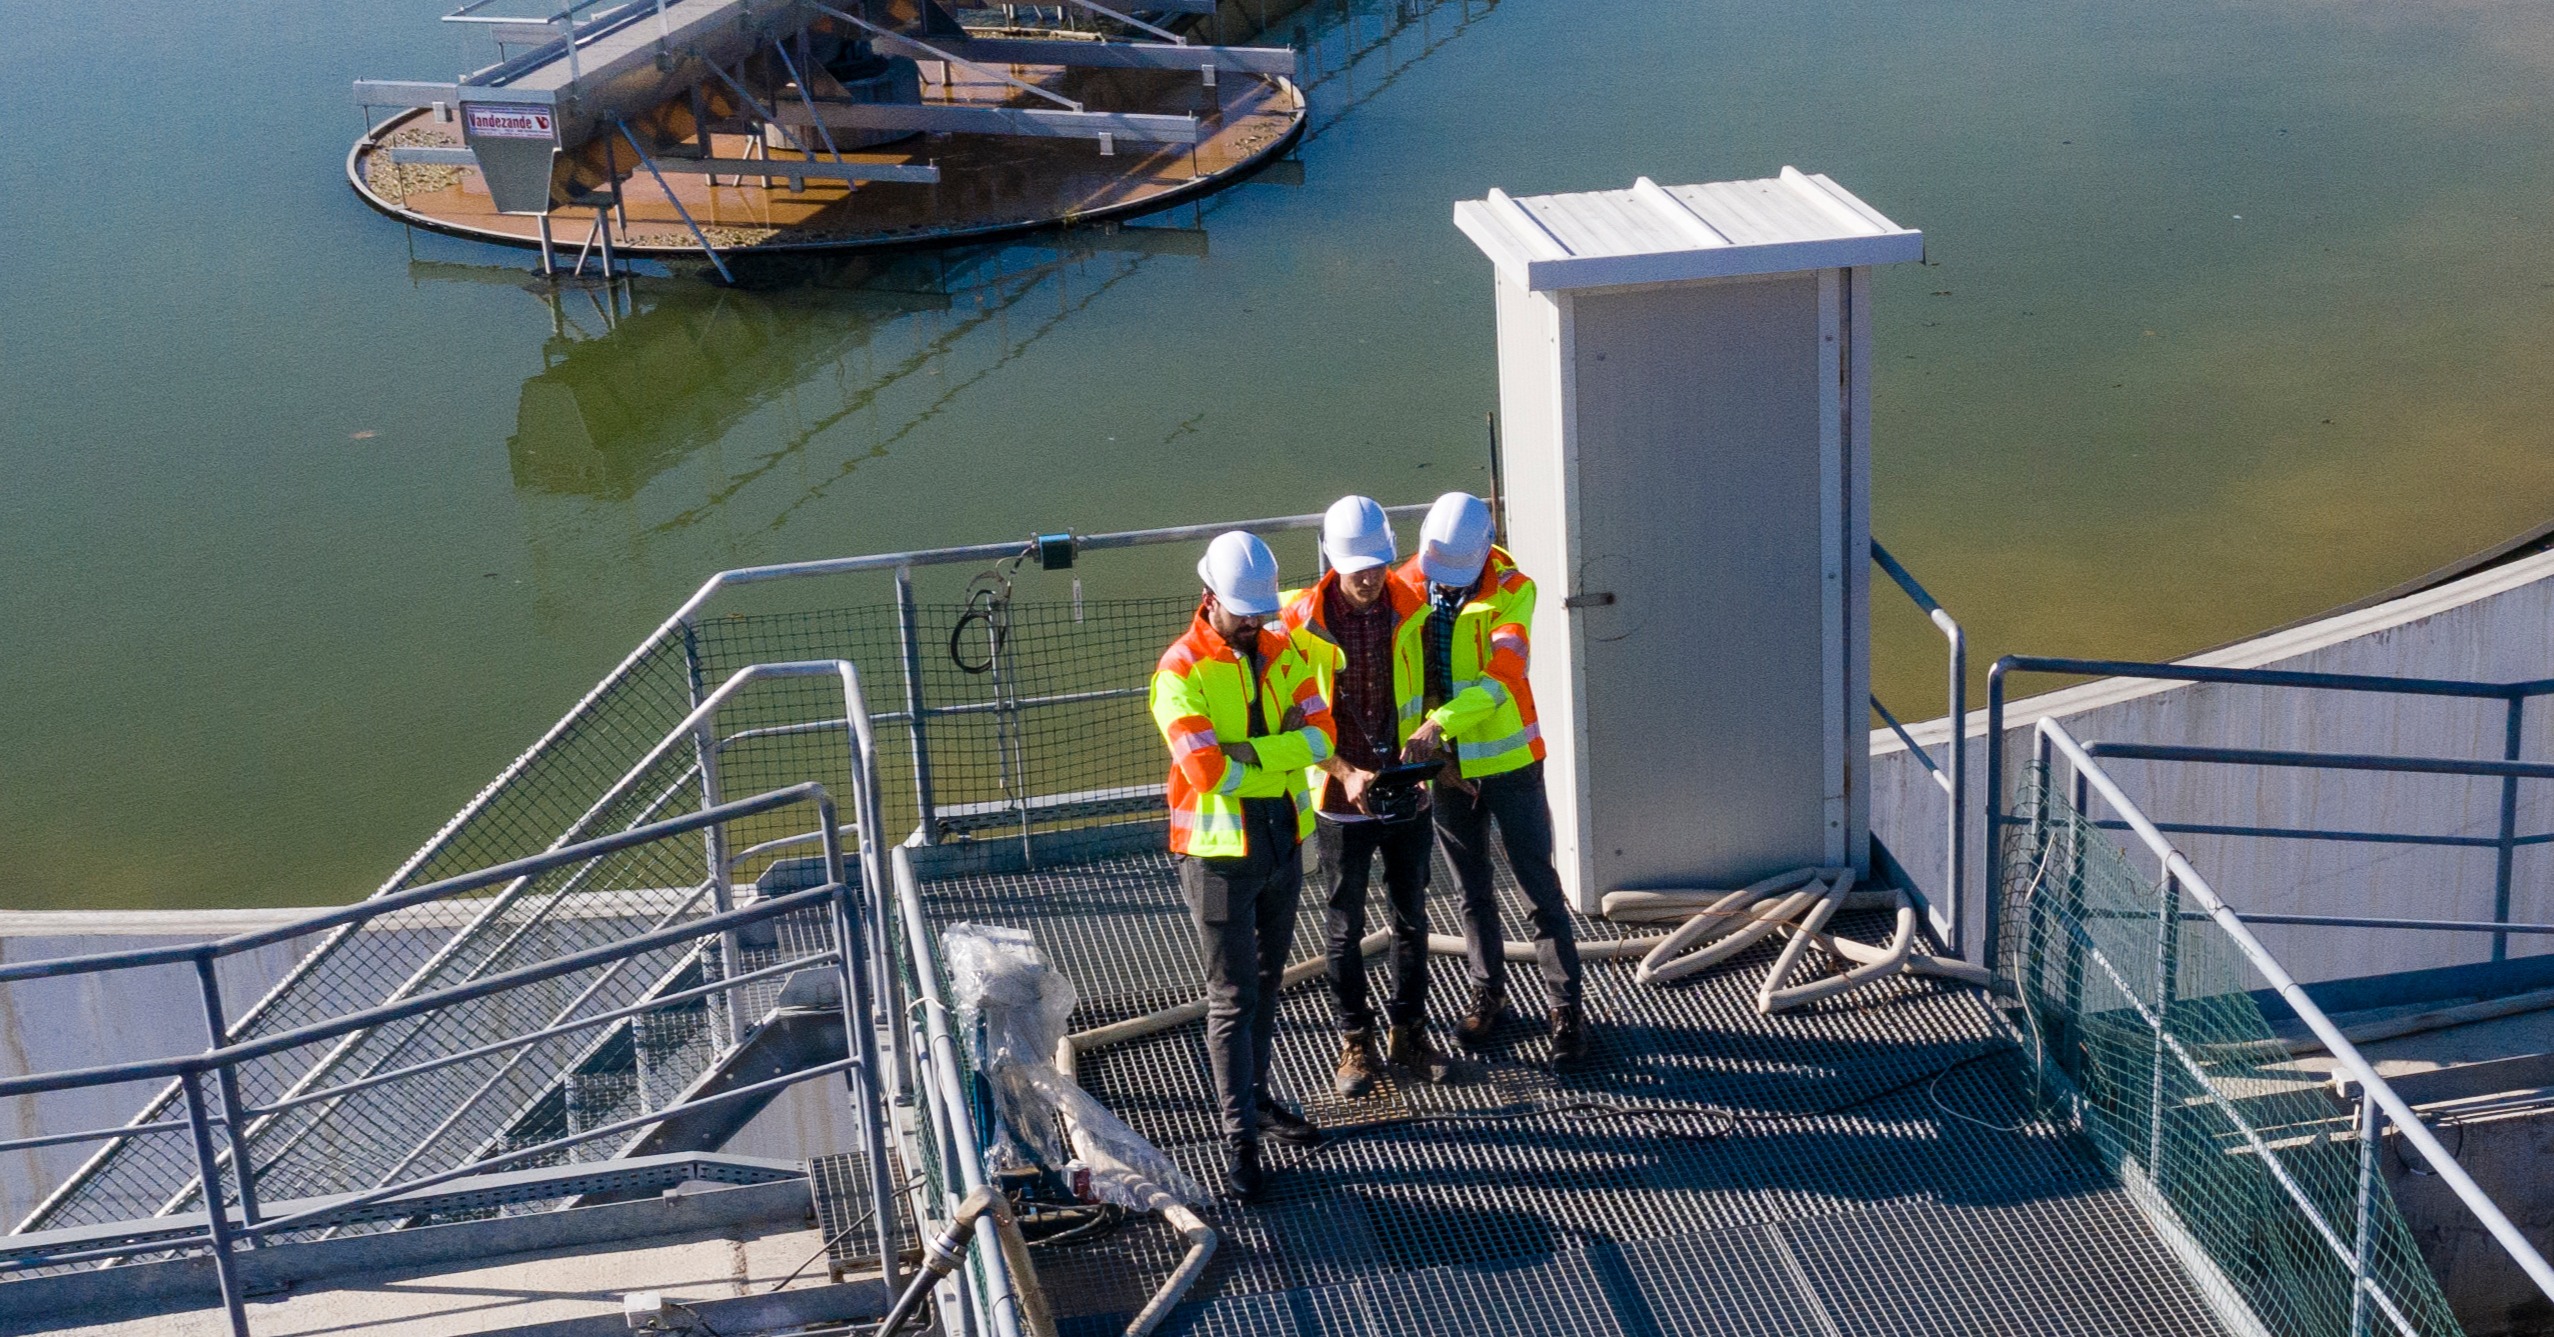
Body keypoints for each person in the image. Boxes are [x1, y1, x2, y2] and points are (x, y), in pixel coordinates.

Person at [1149, 530, 1336, 1200]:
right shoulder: (1179, 671)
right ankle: (1239, 1139)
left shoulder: (1282, 648)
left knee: (1268, 982)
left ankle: (1257, 1100)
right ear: (1211, 599)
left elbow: (1323, 735)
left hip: (1282, 845)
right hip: (1220, 860)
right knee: (1231, 998)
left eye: (1260, 611)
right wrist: (1279, 752)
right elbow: (1203, 770)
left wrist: (1251, 752)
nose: (1256, 622)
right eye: (1244, 612)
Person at [1399, 493, 1588, 1064]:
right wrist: (1440, 759)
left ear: (1485, 551)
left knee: (1538, 888)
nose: (1448, 586)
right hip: (1447, 768)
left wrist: (1438, 726)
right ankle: (1488, 994)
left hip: (1510, 763)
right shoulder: (1410, 582)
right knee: (1471, 892)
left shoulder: (1514, 589)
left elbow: (1503, 674)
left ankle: (1567, 1010)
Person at [1282, 497, 1451, 1099]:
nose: (1368, 577)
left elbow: (1435, 685)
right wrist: (1341, 769)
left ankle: (1409, 1031)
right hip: (1339, 794)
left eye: (1377, 563)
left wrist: (1433, 747)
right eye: (1356, 566)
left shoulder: (1411, 607)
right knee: (1343, 926)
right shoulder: (1296, 623)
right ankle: (1355, 1040)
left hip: (1406, 789)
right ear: (1330, 558)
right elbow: (1285, 719)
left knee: (1412, 917)